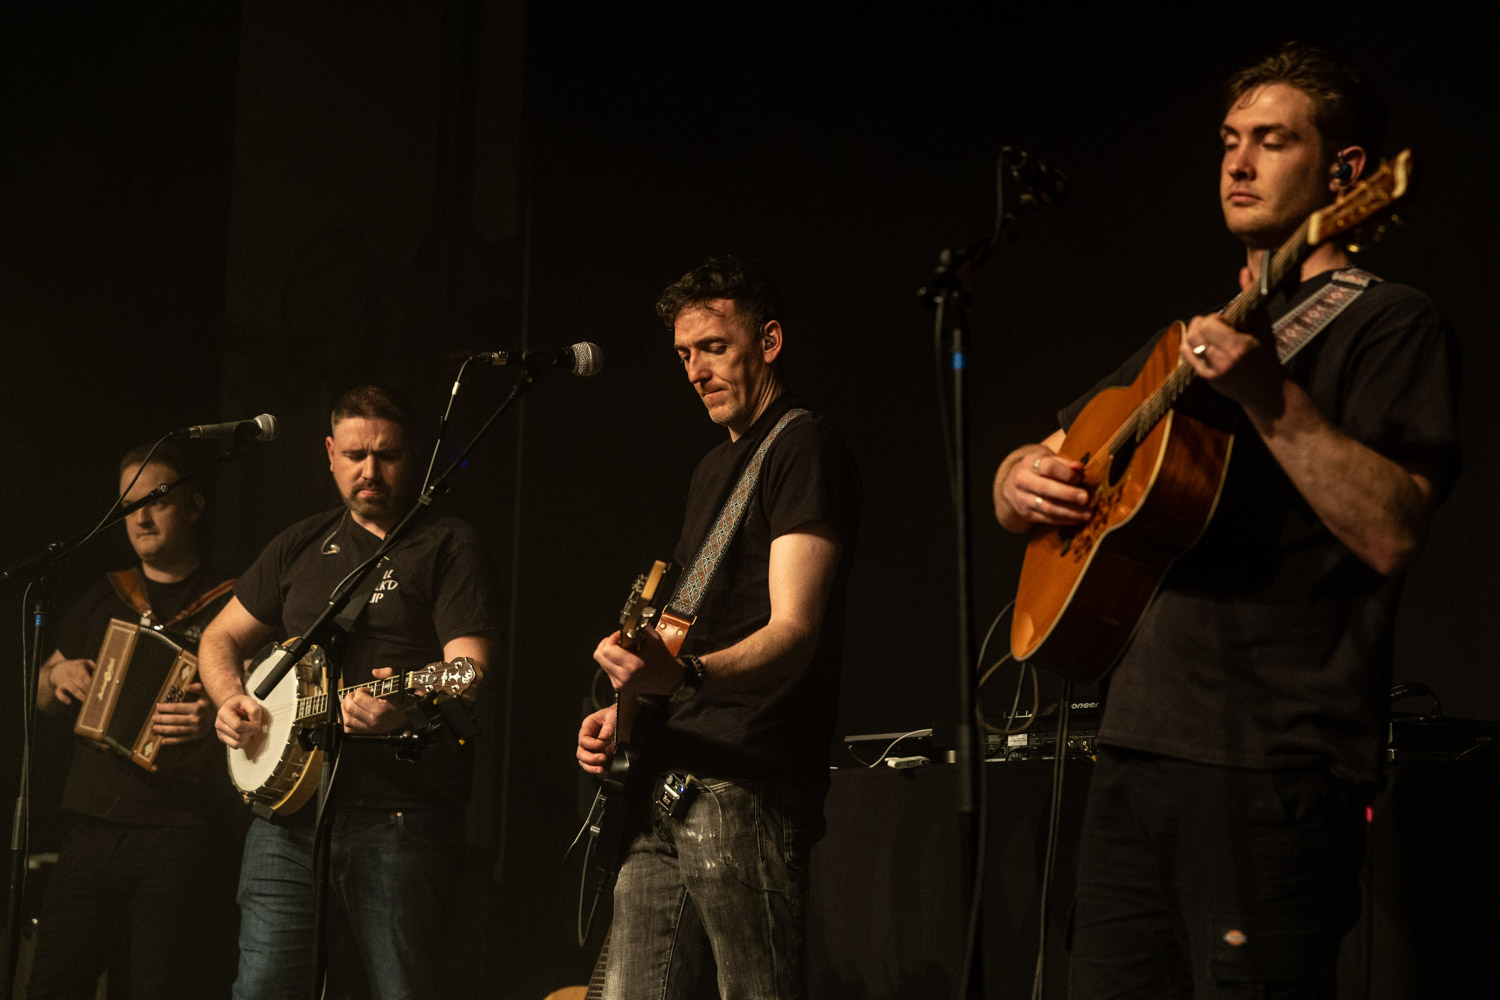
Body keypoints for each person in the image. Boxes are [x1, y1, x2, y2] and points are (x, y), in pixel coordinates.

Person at [991, 45, 1460, 997]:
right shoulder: (1189, 338)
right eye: (1230, 141)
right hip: (1133, 750)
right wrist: (1015, 480)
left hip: (1276, 768)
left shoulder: (1391, 323)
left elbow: (1395, 531)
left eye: (1273, 141)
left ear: (1348, 175)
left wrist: (1270, 398)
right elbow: (1055, 447)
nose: (1238, 163)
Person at [576, 257, 860, 1000]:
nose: (695, 370)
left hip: (745, 783)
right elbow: (692, 631)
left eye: (713, 347)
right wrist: (626, 707)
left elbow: (794, 629)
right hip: (665, 776)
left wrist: (688, 676)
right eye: (683, 355)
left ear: (768, 341)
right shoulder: (712, 469)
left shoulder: (802, 445)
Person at [198, 385, 502, 1000]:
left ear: (412, 455)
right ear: (330, 453)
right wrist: (231, 696)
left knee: (403, 989)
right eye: (356, 454)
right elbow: (220, 636)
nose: (370, 471)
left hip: (401, 817)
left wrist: (406, 705)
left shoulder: (448, 542)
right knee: (261, 988)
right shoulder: (298, 545)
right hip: (285, 823)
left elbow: (469, 666)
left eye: (387, 456)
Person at [29, 442, 243, 999]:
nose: (141, 517)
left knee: (155, 987)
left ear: (194, 507)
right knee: (53, 981)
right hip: (90, 824)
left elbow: (265, 716)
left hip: (180, 833)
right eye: (129, 504)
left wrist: (213, 716)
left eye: (156, 500)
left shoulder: (234, 605)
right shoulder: (106, 593)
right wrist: (59, 680)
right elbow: (43, 695)